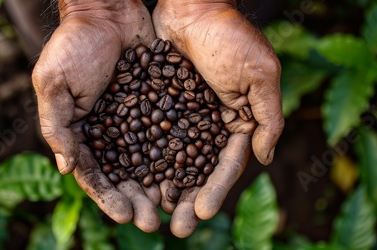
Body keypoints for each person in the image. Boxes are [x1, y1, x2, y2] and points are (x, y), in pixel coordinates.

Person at [32, 0, 284, 238]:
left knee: (247, 16)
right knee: (67, 84)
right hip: (93, 37)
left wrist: (204, 5)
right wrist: (91, 8)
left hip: (206, 29)